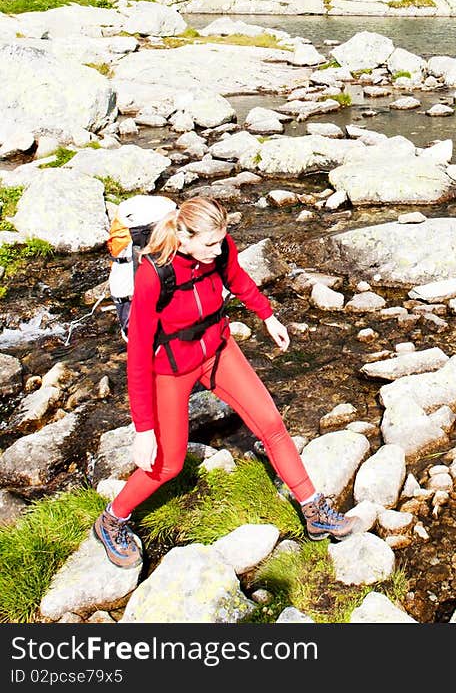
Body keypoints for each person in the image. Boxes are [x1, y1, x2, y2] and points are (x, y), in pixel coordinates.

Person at [93, 197, 356, 568]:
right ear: (183, 238)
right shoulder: (155, 273)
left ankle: (315, 513)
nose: (218, 250)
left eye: (221, 241)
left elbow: (237, 278)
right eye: (209, 244)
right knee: (168, 465)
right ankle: (111, 520)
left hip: (218, 349)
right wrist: (143, 429)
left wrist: (268, 316)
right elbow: (136, 355)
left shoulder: (218, 248)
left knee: (272, 425)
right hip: (171, 368)